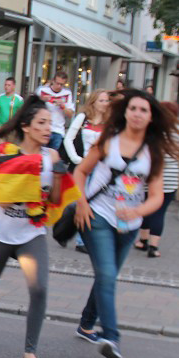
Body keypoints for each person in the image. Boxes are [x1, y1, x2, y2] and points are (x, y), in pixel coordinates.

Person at [73, 89, 179, 358]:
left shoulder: (153, 152)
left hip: (130, 225)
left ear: (151, 117)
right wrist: (81, 203)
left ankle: (86, 323)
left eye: (143, 110)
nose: (137, 114)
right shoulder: (108, 141)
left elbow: (158, 196)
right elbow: (80, 171)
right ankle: (111, 336)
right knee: (106, 275)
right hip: (98, 216)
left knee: (107, 275)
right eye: (133, 108)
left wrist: (137, 210)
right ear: (125, 112)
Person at [0, 95, 69, 358]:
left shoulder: (53, 156)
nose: (48, 128)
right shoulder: (4, 152)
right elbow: (1, 199)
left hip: (31, 234)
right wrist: (31, 178)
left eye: (51, 123)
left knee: (40, 289)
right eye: (42, 123)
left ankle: (30, 354)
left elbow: (56, 199)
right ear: (26, 126)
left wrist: (58, 176)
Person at [135, 101, 179, 258]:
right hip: (170, 177)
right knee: (160, 212)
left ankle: (143, 240)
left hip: (149, 174)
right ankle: (153, 246)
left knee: (146, 207)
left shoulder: (151, 129)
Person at [62, 89, 112, 254]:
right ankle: (80, 240)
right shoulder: (83, 118)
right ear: (93, 102)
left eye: (106, 100)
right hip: (86, 167)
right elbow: (68, 138)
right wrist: (77, 159)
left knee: (96, 204)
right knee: (83, 202)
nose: (105, 103)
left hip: (102, 167)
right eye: (102, 100)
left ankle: (87, 239)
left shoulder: (110, 121)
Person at [36, 70, 74, 150]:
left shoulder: (67, 93)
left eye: (62, 84)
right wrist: (42, 100)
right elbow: (33, 106)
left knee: (53, 156)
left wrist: (63, 106)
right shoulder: (42, 90)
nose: (59, 86)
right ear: (53, 81)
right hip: (43, 128)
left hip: (58, 130)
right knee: (40, 154)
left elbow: (70, 114)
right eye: (57, 83)